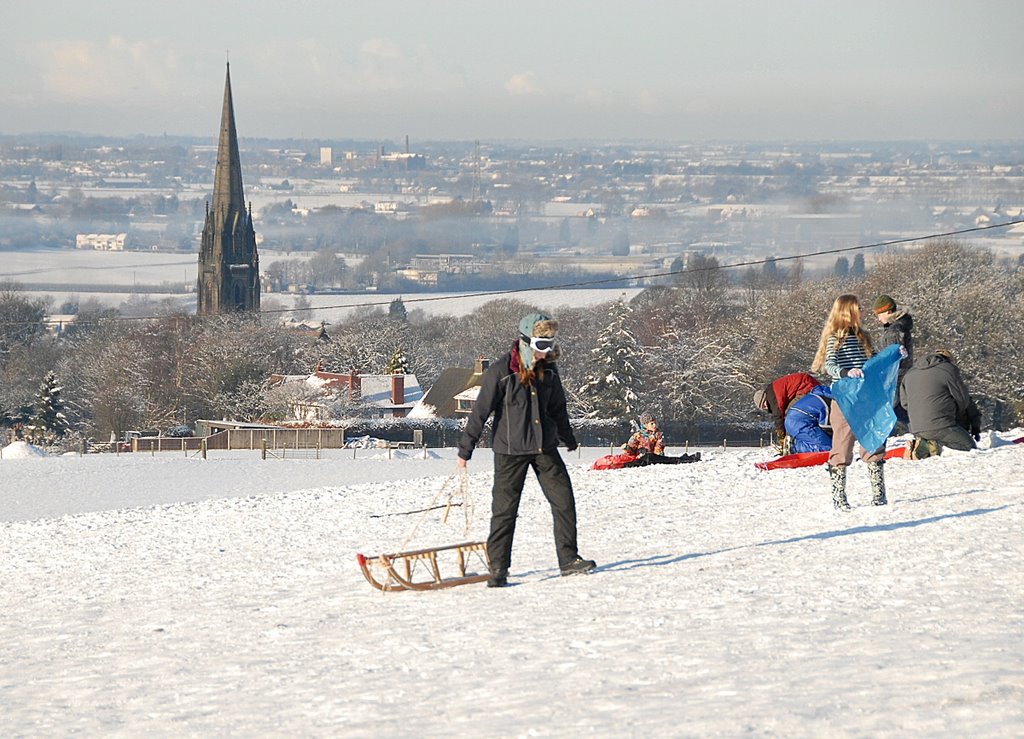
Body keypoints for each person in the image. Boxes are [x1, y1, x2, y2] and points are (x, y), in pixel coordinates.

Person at [457, 311, 595, 588]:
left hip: (545, 448)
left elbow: (558, 409)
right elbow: (480, 413)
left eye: (551, 345)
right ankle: (498, 569)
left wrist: (568, 438)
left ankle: (568, 561)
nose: (547, 351)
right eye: (542, 345)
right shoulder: (501, 372)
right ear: (525, 341)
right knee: (504, 511)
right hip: (509, 451)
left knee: (564, 502)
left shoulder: (549, 372)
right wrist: (465, 451)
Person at [811, 294, 888, 509]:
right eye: (859, 308)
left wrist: (892, 356)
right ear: (848, 312)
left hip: (865, 399)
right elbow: (830, 364)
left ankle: (879, 494)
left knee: (873, 443)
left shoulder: (864, 337)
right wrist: (846, 372)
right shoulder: (836, 338)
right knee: (842, 445)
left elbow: (873, 361)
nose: (863, 312)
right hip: (844, 400)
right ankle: (839, 496)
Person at [899, 348, 982, 458]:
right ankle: (931, 446)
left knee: (935, 434)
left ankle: (922, 445)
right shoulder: (948, 369)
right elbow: (962, 400)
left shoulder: (909, 373)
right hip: (941, 425)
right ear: (948, 359)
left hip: (916, 428)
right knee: (968, 446)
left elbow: (904, 403)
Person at [873, 294, 914, 425]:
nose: (878, 318)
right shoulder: (897, 327)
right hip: (902, 375)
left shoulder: (894, 330)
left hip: (896, 376)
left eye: (879, 314)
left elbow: (892, 357)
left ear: (888, 312)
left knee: (895, 410)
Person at [754, 372, 822, 450]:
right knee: (790, 413)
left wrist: (781, 436)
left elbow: (779, 417)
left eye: (764, 404)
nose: (765, 407)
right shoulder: (772, 391)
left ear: (764, 398)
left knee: (790, 413)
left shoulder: (772, 397)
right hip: (805, 384)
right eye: (763, 407)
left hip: (806, 386)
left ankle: (792, 441)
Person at [620, 412, 701, 466]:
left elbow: (658, 450)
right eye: (652, 423)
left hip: (653, 458)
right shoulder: (637, 436)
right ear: (645, 425)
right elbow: (631, 451)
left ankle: (687, 459)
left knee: (665, 460)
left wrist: (656, 454)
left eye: (655, 423)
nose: (654, 425)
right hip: (640, 458)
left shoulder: (658, 435)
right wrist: (627, 448)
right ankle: (685, 458)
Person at [783, 384, 834, 453]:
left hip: (794, 420)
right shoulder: (829, 401)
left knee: (823, 441)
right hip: (801, 423)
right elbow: (825, 425)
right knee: (829, 448)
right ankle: (795, 447)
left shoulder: (820, 395)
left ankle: (796, 441)